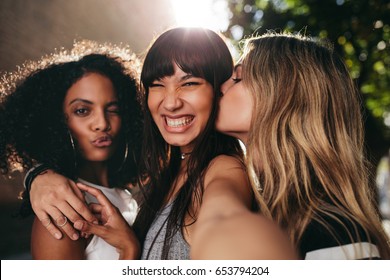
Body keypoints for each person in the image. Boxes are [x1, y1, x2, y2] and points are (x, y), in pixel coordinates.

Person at [23, 27, 297, 260]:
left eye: (189, 83)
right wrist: (38, 175)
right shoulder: (157, 180)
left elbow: (224, 216)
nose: (171, 102)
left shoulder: (223, 168)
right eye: (156, 84)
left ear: (220, 88)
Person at [207, 31, 390, 259]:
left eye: (238, 78)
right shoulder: (254, 209)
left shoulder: (335, 234)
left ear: (283, 96)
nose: (220, 87)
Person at [0, 42, 143, 259]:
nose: (102, 123)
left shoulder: (125, 195)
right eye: (83, 111)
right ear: (57, 123)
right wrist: (129, 251)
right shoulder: (64, 208)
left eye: (113, 110)